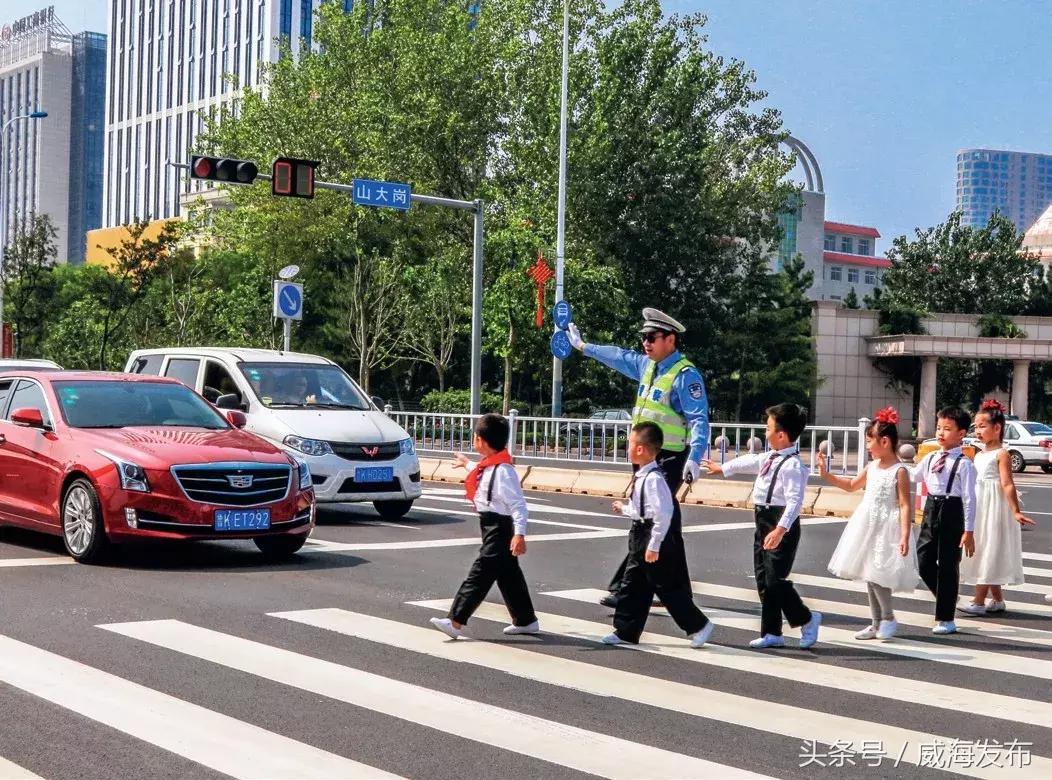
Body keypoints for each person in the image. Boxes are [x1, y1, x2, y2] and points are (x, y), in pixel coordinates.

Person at [568, 308, 710, 607]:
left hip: (669, 459)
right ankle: (677, 591)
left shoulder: (685, 375)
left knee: (646, 518)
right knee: (666, 523)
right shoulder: (648, 366)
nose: (645, 343)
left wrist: (694, 458)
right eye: (643, 337)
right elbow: (617, 356)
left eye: (652, 338)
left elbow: (699, 420)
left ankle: (625, 588)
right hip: (645, 459)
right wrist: (584, 347)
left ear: (670, 339)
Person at [703, 403, 822, 650]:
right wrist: (722, 468)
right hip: (762, 519)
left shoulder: (793, 466)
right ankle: (772, 632)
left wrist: (780, 530)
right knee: (763, 578)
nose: (764, 433)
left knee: (776, 579)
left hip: (781, 523)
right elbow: (750, 461)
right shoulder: (769, 457)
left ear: (781, 435)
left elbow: (794, 503)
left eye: (768, 428)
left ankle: (807, 618)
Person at [602, 422, 714, 648]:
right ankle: (625, 631)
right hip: (639, 533)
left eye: (630, 444)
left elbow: (664, 514)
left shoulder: (654, 478)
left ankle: (699, 625)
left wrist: (654, 544)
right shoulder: (643, 475)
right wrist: (624, 509)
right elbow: (643, 509)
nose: (628, 448)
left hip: (653, 536)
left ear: (641, 449)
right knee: (632, 584)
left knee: (666, 586)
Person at [429, 414, 539, 639]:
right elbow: (480, 471)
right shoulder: (490, 466)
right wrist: (466, 463)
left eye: (475, 437)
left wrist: (519, 534)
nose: (474, 441)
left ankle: (455, 621)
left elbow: (519, 505)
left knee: (479, 574)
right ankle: (526, 620)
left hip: (499, 528)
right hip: (489, 525)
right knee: (508, 575)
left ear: (481, 441)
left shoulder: (503, 471)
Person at [820, 407, 918, 641]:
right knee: (869, 573)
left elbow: (905, 505)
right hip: (868, 523)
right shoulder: (872, 467)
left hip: (888, 526)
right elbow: (852, 485)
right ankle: (876, 622)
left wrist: (905, 535)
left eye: (869, 441)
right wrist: (827, 476)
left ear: (884, 441)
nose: (867, 446)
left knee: (878, 574)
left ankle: (888, 617)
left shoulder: (900, 471)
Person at [959, 400, 1035, 615]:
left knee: (988, 549)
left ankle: (979, 602)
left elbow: (1007, 483)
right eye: (976, 426)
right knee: (984, 547)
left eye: (982, 426)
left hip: (994, 507)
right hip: (980, 504)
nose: (977, 431)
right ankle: (998, 600)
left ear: (997, 428)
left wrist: (1015, 510)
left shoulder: (1002, 453)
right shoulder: (979, 454)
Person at [912, 406, 977, 635]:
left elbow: (970, 499)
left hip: (952, 509)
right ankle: (947, 595)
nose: (941, 433)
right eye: (939, 428)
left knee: (949, 564)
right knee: (923, 559)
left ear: (961, 433)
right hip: (932, 507)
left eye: (947, 429)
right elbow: (913, 476)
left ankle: (946, 618)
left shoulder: (965, 464)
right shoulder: (931, 457)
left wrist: (968, 531)